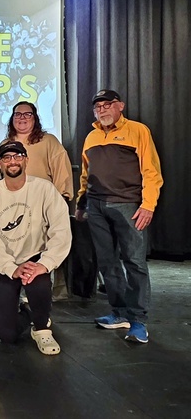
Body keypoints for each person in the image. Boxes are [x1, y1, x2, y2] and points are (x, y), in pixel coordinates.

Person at [76, 89, 163, 344]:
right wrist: (82, 204)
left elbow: (151, 171)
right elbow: (86, 175)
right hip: (96, 206)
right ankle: (119, 313)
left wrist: (148, 205)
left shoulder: (138, 131)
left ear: (120, 106)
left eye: (107, 105)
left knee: (134, 262)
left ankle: (138, 321)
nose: (102, 110)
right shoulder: (91, 137)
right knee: (107, 262)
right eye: (98, 107)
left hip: (128, 205)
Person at [0, 141, 71, 355]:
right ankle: (29, 312)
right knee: (7, 336)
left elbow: (61, 228)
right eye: (7, 158)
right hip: (3, 265)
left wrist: (45, 264)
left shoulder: (44, 188)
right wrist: (11, 268)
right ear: (0, 164)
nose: (13, 161)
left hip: (34, 260)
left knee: (38, 284)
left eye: (17, 156)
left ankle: (41, 328)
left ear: (26, 160)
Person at [3, 101, 73, 301]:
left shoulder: (48, 141)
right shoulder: (5, 144)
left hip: (45, 205)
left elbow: (62, 170)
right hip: (15, 206)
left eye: (27, 114)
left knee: (46, 247)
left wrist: (62, 198)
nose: (22, 118)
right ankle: (22, 289)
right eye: (18, 114)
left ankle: (46, 293)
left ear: (35, 118)